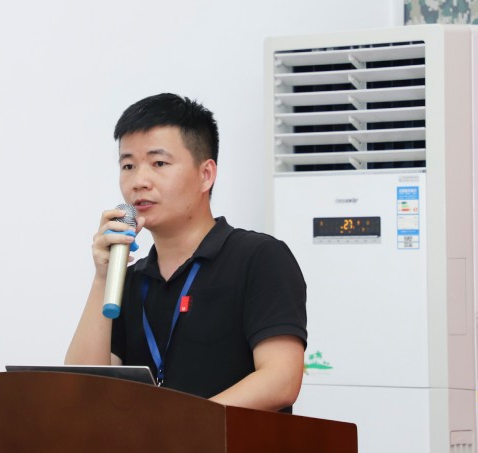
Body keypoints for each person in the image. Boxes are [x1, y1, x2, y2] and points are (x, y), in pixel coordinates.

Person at [65, 93, 306, 412]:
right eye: (128, 165)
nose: (139, 181)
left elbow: (281, 379)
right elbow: (82, 390)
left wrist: (184, 427)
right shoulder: (129, 280)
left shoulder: (259, 257)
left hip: (227, 445)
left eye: (159, 163)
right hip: (152, 446)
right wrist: (102, 277)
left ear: (206, 175)